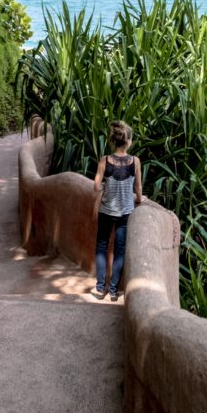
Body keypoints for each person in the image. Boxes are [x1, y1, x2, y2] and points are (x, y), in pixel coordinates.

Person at [90, 120, 143, 301]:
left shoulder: (105, 160)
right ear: (127, 141)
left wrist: (107, 184)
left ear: (114, 141)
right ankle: (113, 290)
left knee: (102, 247)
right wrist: (139, 200)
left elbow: (96, 187)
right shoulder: (135, 161)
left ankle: (99, 288)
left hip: (106, 211)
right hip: (125, 212)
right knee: (120, 250)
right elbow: (138, 188)